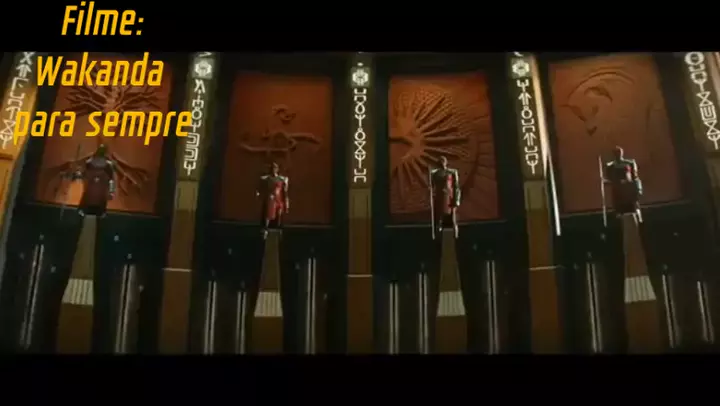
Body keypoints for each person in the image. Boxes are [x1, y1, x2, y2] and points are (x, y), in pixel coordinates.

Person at [72, 144, 116, 217]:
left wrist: (78, 174)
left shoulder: (91, 161)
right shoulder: (106, 163)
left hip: (97, 182)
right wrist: (111, 192)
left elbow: (111, 180)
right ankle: (98, 211)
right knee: (92, 195)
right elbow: (111, 180)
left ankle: (96, 211)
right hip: (95, 182)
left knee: (95, 195)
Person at [604, 146, 643, 220]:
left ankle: (638, 217)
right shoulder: (611, 166)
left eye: (619, 152)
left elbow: (635, 177)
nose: (618, 154)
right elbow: (609, 177)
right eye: (616, 153)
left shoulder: (629, 163)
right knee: (620, 210)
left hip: (629, 189)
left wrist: (638, 189)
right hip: (619, 191)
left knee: (634, 207)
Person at [256, 162, 289, 238]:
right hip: (271, 198)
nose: (274, 170)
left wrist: (286, 184)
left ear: (277, 169)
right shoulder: (268, 178)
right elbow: (261, 180)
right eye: (273, 168)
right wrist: (258, 192)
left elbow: (285, 189)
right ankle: (266, 228)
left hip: (278, 198)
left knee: (279, 213)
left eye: (275, 168)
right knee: (269, 213)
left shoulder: (281, 178)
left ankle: (279, 229)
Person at [430, 156, 461, 237]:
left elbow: (456, 187)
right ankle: (438, 237)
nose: (442, 163)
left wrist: (457, 200)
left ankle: (455, 237)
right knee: (439, 220)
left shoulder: (452, 172)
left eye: (443, 161)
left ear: (446, 162)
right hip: (439, 197)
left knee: (453, 219)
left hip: (450, 197)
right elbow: (431, 186)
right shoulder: (435, 173)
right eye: (440, 161)